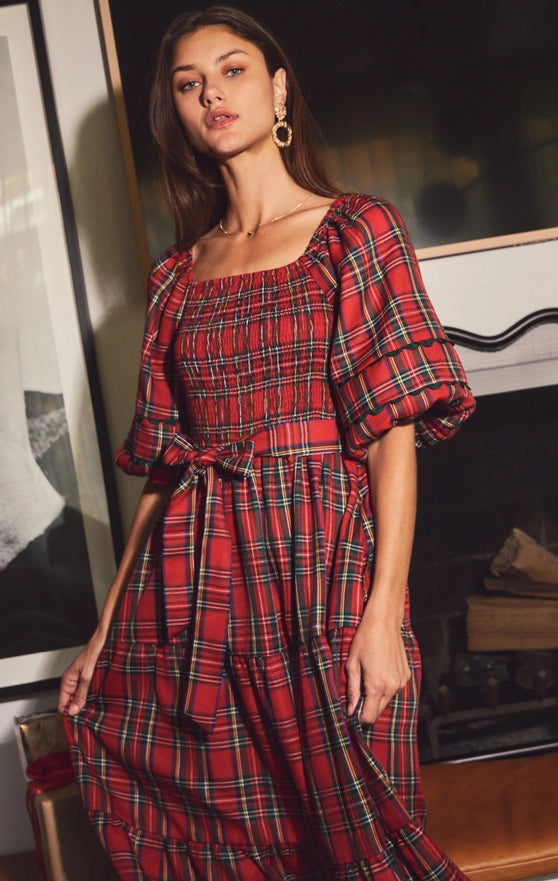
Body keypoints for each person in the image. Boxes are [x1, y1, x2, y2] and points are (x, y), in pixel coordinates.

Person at [59, 6, 476, 880]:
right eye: (188, 84)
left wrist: (381, 615)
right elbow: (166, 470)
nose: (211, 93)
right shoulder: (176, 277)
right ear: (176, 113)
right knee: (222, 831)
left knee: (360, 826)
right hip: (197, 582)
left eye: (232, 70)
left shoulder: (356, 231)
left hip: (320, 562)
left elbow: (390, 437)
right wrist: (104, 629)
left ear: (278, 89)